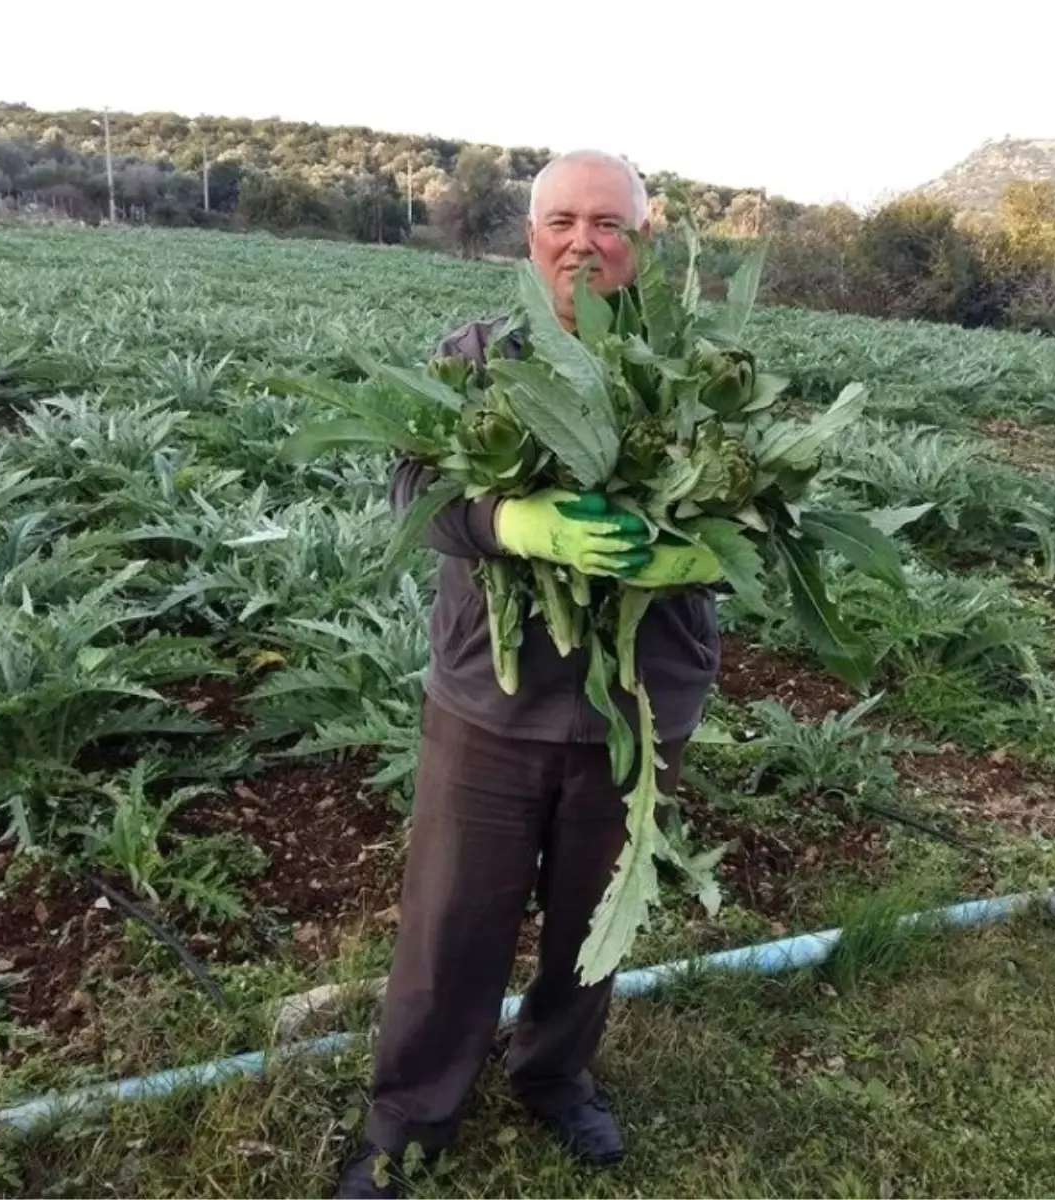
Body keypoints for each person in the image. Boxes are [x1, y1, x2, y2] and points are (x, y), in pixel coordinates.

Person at [337, 149, 724, 1199]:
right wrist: (511, 521)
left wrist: (701, 550)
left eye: (609, 223)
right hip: (491, 702)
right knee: (452, 924)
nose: (584, 244)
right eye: (562, 222)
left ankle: (554, 1074)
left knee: (596, 919)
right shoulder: (476, 357)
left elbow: (764, 508)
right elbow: (412, 481)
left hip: (636, 703)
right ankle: (408, 1120)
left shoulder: (693, 369)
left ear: (643, 240)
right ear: (530, 237)